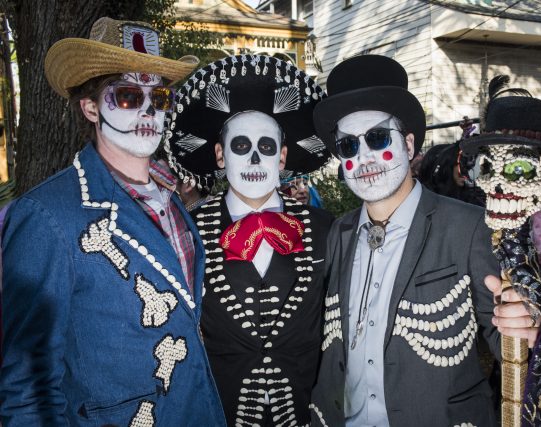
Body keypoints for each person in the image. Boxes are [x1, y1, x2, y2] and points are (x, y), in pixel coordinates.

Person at [0, 17, 226, 425]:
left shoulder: (172, 199)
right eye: (125, 96)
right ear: (89, 107)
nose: (146, 111)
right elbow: (27, 391)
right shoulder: (45, 217)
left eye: (158, 97)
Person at [309, 55, 539, 426]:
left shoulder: (468, 227)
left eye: (378, 138)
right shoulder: (338, 232)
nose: (364, 157)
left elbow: (511, 343)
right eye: (349, 146)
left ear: (410, 143)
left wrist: (528, 327)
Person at [164, 54, 333, 426]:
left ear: (283, 157)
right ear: (221, 156)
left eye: (267, 148)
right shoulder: (188, 233)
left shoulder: (324, 229)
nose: (255, 159)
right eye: (241, 147)